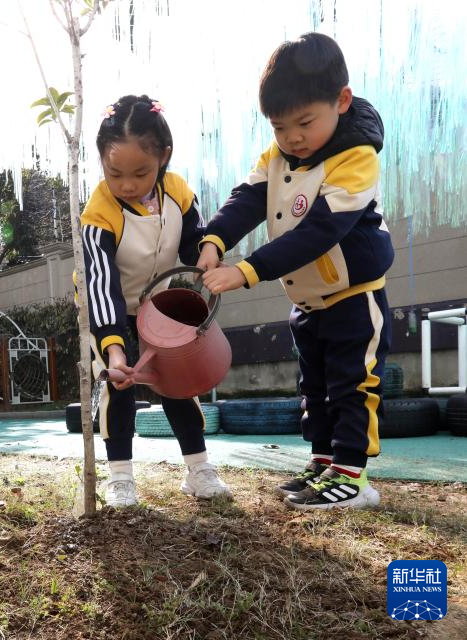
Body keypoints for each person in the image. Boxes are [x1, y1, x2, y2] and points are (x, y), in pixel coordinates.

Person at [198, 33, 392, 510]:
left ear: (341, 101)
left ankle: (352, 476)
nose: (293, 138)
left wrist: (247, 270)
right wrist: (215, 238)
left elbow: (319, 233)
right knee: (315, 387)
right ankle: (323, 461)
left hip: (354, 297)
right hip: (307, 301)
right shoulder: (278, 156)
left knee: (352, 385)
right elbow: (248, 199)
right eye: (279, 127)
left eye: (304, 122)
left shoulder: (356, 158)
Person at [80, 94, 232, 508]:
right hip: (107, 310)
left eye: (140, 173)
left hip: (157, 307)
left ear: (164, 157)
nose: (127, 185)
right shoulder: (98, 213)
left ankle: (198, 468)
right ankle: (120, 476)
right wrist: (114, 348)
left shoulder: (177, 191)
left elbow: (194, 241)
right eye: (114, 173)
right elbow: (101, 284)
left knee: (179, 382)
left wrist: (208, 253)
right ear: (101, 161)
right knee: (119, 385)